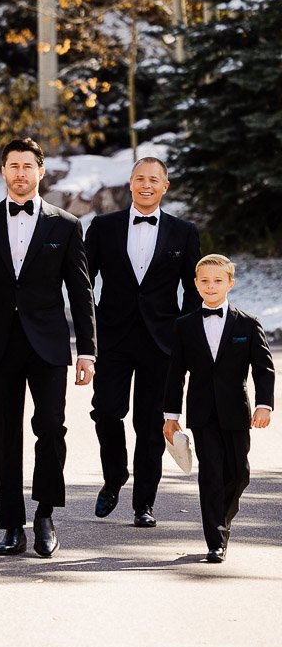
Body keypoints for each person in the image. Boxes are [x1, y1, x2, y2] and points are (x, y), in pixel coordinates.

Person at [0, 137, 96, 558]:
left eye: (28, 166)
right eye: (13, 166)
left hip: (48, 345)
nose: (20, 173)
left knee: (51, 427)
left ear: (40, 171)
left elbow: (80, 291)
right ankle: (11, 524)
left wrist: (87, 350)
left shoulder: (65, 225)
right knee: (5, 434)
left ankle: (45, 513)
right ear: (4, 170)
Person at [85, 157, 200, 528]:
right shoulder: (103, 227)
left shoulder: (184, 232)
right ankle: (115, 474)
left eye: (154, 179)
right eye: (139, 178)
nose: (146, 184)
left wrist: (185, 335)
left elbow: (193, 290)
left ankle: (143, 504)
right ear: (129, 184)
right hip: (112, 337)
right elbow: (83, 281)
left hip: (162, 342)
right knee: (106, 412)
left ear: (165, 186)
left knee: (150, 425)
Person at [163, 254, 273, 563]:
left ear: (230, 284)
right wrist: (171, 418)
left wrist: (264, 405)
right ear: (196, 284)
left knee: (239, 474)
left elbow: (263, 369)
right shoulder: (184, 326)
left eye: (218, 281)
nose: (211, 286)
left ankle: (222, 520)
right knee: (210, 473)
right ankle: (216, 537)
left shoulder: (248, 324)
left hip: (236, 411)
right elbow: (175, 374)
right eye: (205, 281)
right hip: (201, 412)